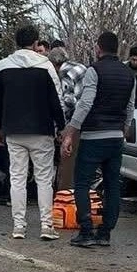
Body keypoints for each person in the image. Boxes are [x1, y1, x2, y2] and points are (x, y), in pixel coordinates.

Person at [61, 31, 135, 248]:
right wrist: (124, 129)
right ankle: (105, 233)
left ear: (98, 48)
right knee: (112, 185)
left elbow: (85, 103)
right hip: (115, 138)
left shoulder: (94, 70)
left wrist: (70, 131)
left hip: (93, 136)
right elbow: (130, 106)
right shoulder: (129, 73)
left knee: (82, 182)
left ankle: (86, 231)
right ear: (117, 48)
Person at [0, 25, 66, 241]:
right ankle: (46, 225)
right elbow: (57, 100)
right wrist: (61, 127)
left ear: (16, 42)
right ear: (35, 43)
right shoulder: (45, 66)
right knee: (44, 179)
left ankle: (18, 226)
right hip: (42, 131)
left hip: (13, 131)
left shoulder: (2, 66)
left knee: (17, 178)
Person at [48, 44, 88, 189]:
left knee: (67, 164)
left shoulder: (64, 73)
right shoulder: (81, 67)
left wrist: (61, 128)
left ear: (54, 63)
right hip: (89, 121)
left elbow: (68, 102)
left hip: (75, 123)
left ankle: (64, 196)